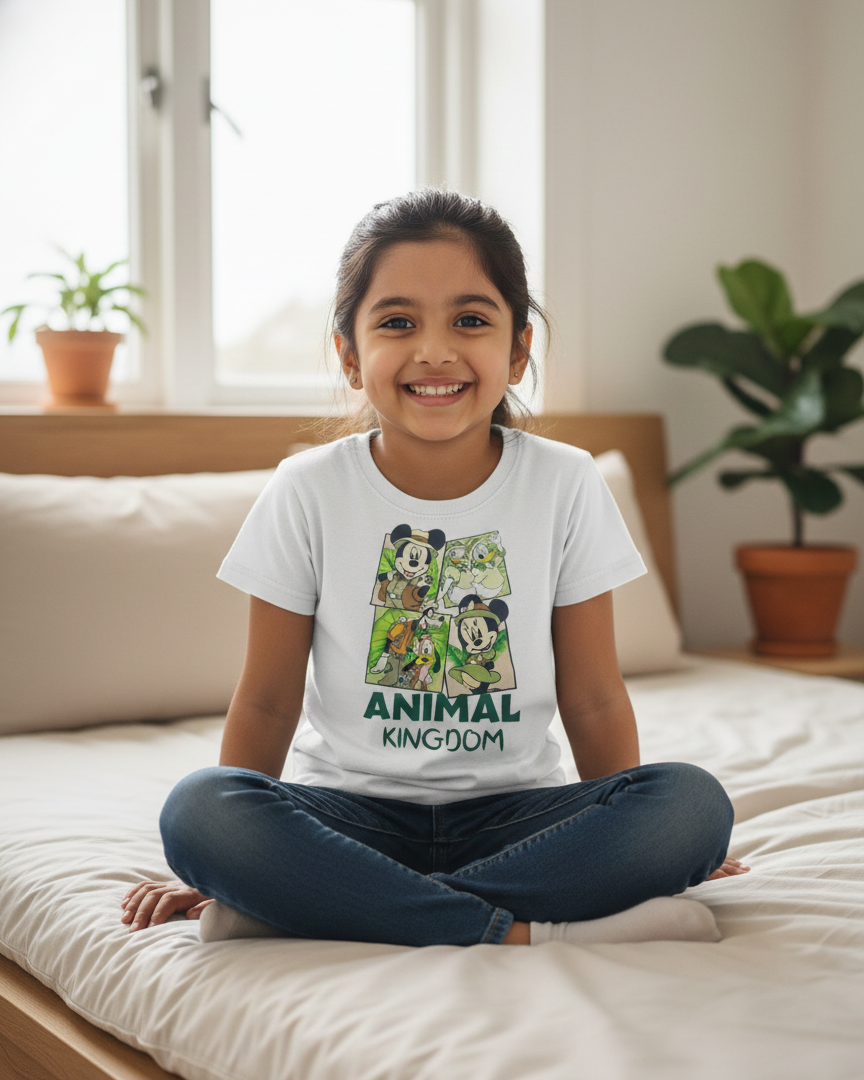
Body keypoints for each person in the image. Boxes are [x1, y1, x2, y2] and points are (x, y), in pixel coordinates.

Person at [121, 190, 748, 948]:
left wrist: (625, 829)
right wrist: (213, 864)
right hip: (347, 815)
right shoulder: (307, 489)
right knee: (202, 809)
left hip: (516, 818)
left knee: (691, 805)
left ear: (518, 350)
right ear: (350, 355)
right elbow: (264, 704)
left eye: (471, 321)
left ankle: (336, 907)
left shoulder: (566, 481)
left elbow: (592, 698)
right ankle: (522, 930)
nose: (435, 351)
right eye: (397, 323)